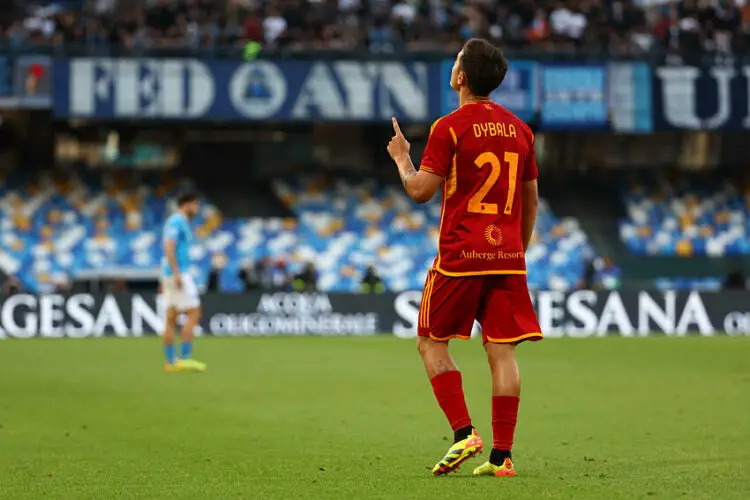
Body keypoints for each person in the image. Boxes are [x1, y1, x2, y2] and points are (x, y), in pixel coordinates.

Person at [386, 38, 542, 478]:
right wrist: (517, 251)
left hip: (460, 255)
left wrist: (402, 159)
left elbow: (419, 191)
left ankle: (464, 434)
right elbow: (531, 200)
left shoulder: (449, 126)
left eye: (455, 61)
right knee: (503, 353)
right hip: (507, 257)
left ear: (461, 78)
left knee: (430, 342)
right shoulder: (521, 130)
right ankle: (502, 456)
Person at [161, 191, 207, 373]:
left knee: (171, 317)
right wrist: (176, 273)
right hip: (178, 273)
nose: (197, 208)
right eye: (195, 204)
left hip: (171, 273)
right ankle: (185, 358)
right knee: (194, 312)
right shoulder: (177, 221)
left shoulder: (181, 222)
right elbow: (169, 246)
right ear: (186, 204)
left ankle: (170, 361)